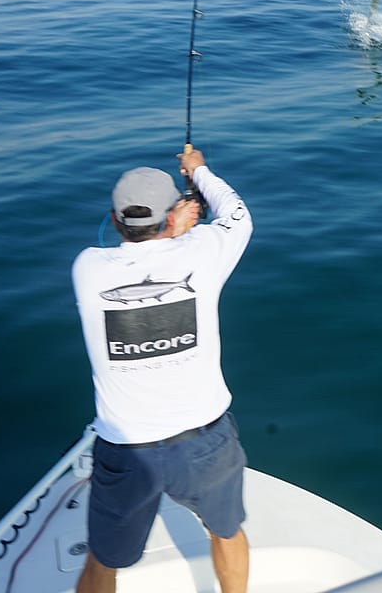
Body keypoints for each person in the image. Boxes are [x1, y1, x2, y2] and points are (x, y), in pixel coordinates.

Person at [72, 148, 253, 593]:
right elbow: (237, 214)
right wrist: (198, 172)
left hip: (127, 450)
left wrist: (174, 233)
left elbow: (142, 254)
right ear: (172, 214)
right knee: (227, 533)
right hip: (206, 439)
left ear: (116, 221)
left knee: (104, 560)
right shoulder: (203, 252)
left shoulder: (87, 268)